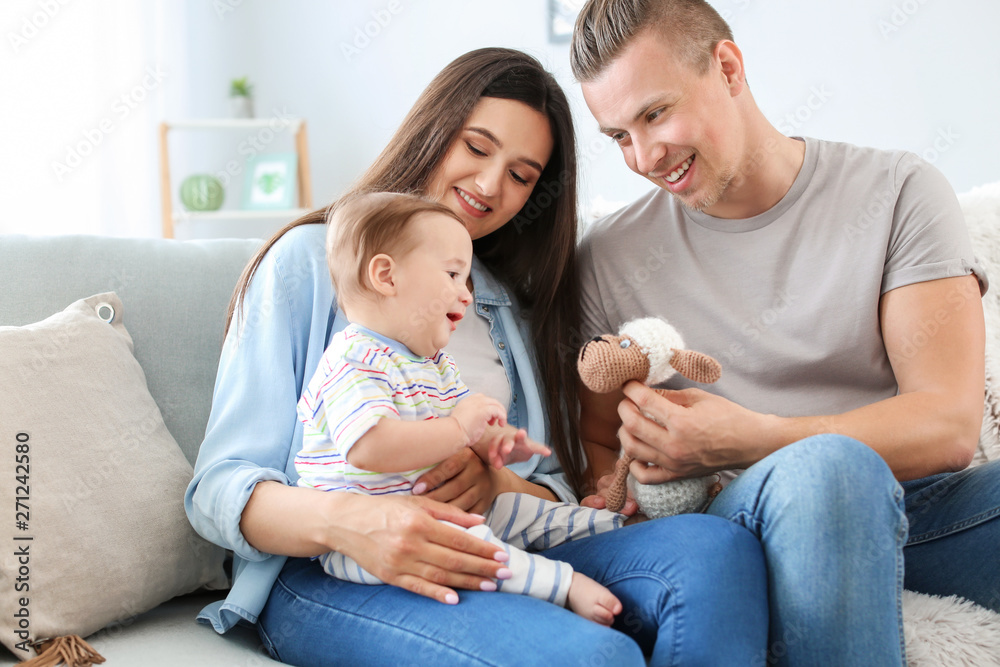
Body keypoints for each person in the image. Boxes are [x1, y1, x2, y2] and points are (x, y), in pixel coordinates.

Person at [186, 47, 768, 666]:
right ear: (433, 132)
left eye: (521, 175)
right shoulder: (312, 263)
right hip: (334, 568)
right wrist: (352, 522)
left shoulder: (506, 303)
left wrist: (498, 480)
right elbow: (218, 489)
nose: (491, 187)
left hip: (493, 538)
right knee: (589, 656)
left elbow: (550, 485)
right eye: (476, 147)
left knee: (717, 548)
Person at [569, 1, 1000, 665]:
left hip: (912, 513)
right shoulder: (611, 256)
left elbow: (946, 424)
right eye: (618, 136)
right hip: (738, 529)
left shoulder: (898, 191)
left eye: (655, 113)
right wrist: (621, 488)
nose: (644, 156)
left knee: (838, 469)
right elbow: (597, 438)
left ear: (729, 68)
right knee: (829, 470)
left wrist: (745, 434)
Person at [297, 191, 624, 625]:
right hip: (373, 540)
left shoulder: (431, 361)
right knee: (466, 539)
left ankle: (609, 527)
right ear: (386, 277)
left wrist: (499, 443)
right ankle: (561, 584)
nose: (465, 295)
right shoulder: (353, 359)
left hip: (436, 511)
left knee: (516, 508)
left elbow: (467, 421)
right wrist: (458, 430)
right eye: (453, 274)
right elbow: (369, 448)